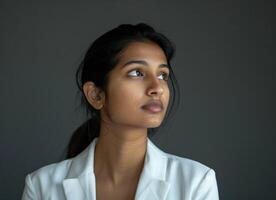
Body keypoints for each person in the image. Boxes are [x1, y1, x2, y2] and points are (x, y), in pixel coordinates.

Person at [21, 23, 219, 200]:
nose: (157, 87)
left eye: (162, 75)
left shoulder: (196, 183)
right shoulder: (41, 186)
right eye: (137, 73)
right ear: (96, 95)